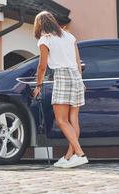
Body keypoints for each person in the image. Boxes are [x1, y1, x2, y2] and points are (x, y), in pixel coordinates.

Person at [32, 11, 88, 168]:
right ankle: (69, 156)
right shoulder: (69, 37)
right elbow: (78, 61)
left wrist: (38, 85)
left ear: (39, 25)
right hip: (76, 77)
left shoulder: (45, 39)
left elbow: (42, 66)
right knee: (73, 119)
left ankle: (80, 153)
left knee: (62, 120)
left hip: (62, 76)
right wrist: (81, 81)